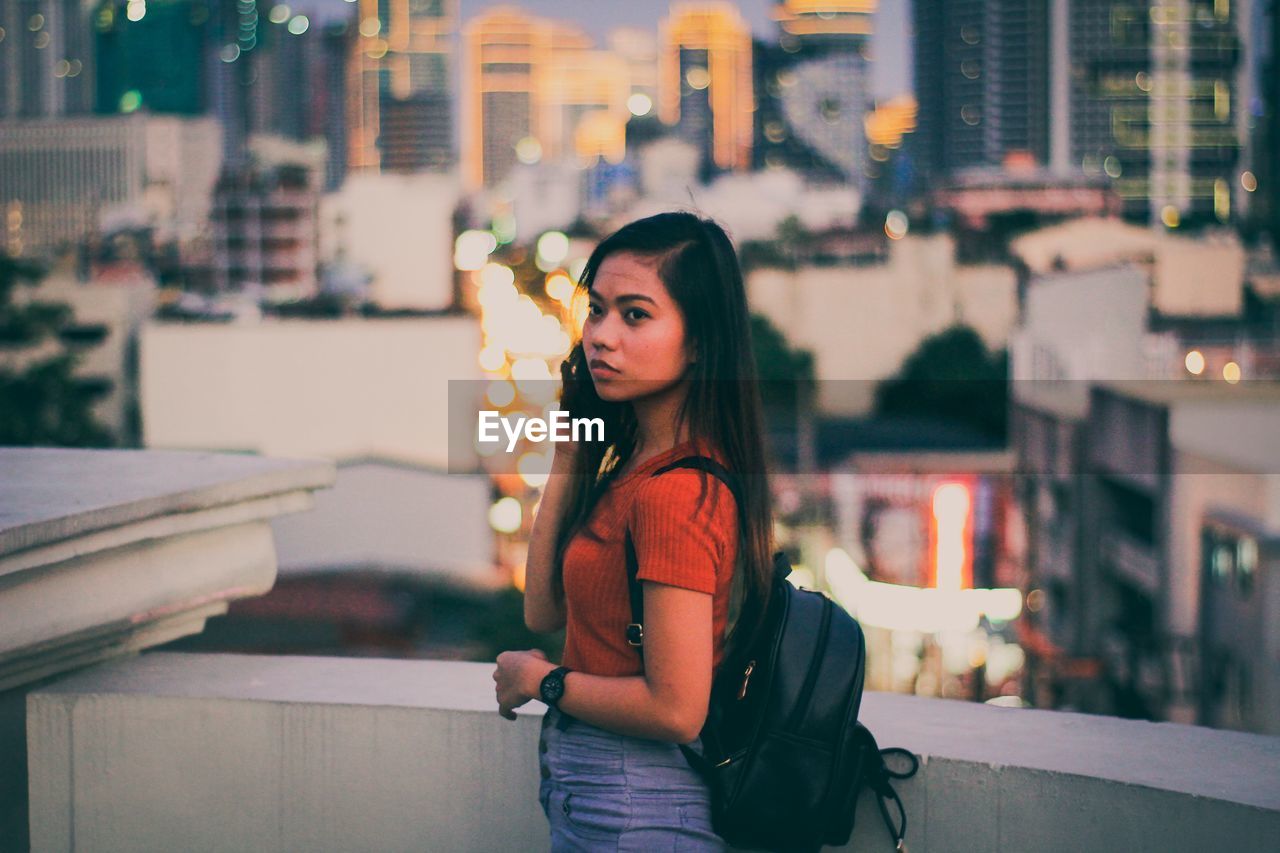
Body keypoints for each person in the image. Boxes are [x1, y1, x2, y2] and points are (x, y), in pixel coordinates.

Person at [492, 211, 776, 850]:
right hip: (603, 793)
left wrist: (542, 681)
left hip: (639, 805)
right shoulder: (636, 471)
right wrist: (569, 454)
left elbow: (676, 709)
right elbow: (543, 611)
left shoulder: (677, 492)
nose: (601, 336)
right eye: (596, 310)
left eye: (635, 315)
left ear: (699, 342)